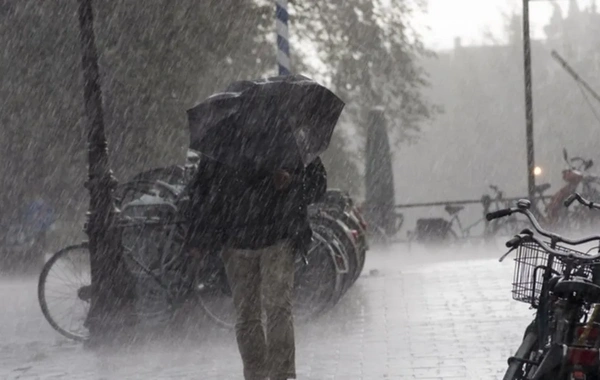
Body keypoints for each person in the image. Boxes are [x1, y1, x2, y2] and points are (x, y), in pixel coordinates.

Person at [184, 153, 327, 380]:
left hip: (274, 237)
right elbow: (204, 191)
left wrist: (292, 182)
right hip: (240, 240)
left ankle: (278, 373)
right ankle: (260, 374)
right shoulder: (286, 135)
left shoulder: (227, 138)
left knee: (273, 308)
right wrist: (200, 237)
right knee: (254, 313)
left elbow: (317, 185)